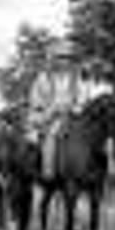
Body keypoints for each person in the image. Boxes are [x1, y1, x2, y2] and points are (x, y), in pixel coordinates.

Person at [25, 38, 82, 179]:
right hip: (46, 115)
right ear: (54, 60)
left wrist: (74, 107)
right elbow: (35, 99)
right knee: (51, 134)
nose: (65, 61)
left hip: (70, 114)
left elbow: (80, 98)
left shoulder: (76, 79)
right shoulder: (43, 78)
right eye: (61, 58)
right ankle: (47, 170)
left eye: (67, 58)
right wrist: (50, 109)